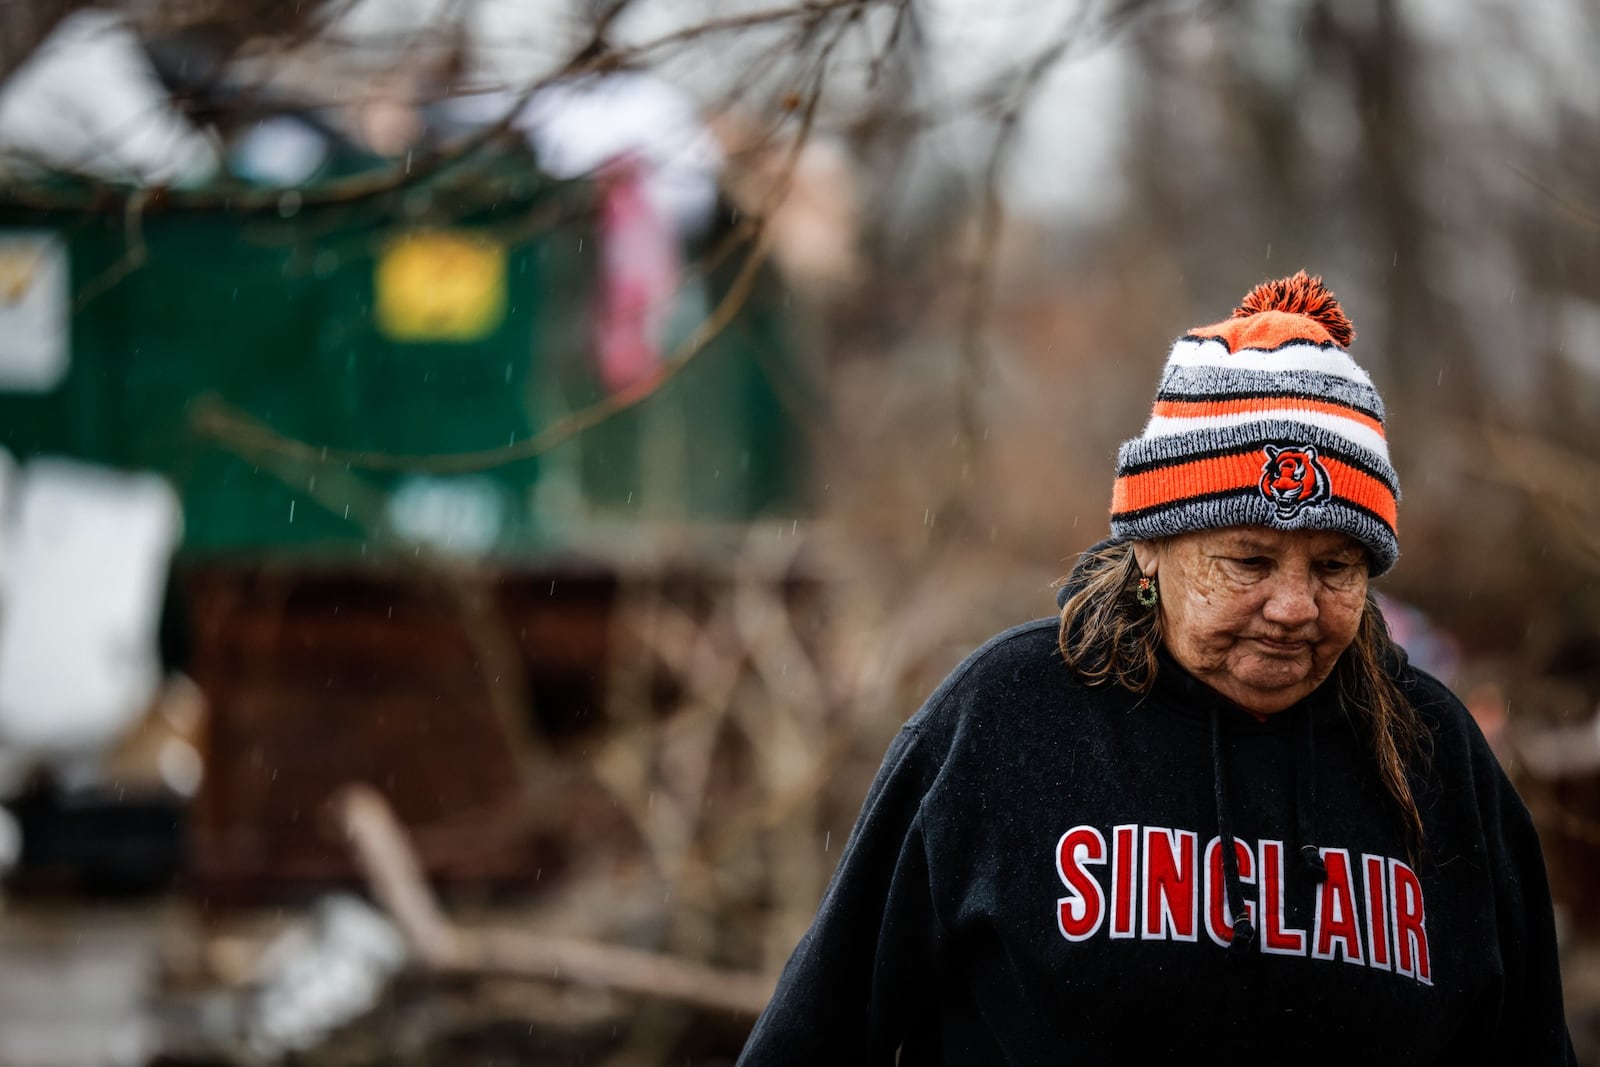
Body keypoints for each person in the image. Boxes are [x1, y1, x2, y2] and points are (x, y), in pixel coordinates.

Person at [737, 272, 1575, 1063]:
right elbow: (815, 1036)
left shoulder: (1439, 761)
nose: (1294, 605)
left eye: (1334, 568)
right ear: (1151, 547)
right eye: (1248, 561)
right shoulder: (1004, 721)